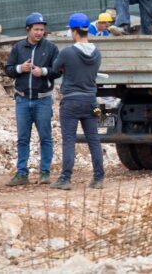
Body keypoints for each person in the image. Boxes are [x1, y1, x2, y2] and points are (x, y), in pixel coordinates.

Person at [4, 12, 61, 186]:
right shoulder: (18, 48)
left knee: (45, 137)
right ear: (28, 29)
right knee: (22, 138)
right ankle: (22, 173)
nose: (39, 33)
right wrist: (21, 68)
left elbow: (58, 70)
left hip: (42, 100)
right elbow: (8, 69)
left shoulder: (51, 48)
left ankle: (45, 173)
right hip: (22, 100)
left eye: (42, 30)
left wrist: (42, 71)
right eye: (36, 29)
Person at [51, 13, 104, 190]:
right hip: (90, 100)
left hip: (71, 101)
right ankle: (98, 178)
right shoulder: (97, 54)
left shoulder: (67, 52)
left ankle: (65, 179)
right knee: (94, 140)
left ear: (74, 31)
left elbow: (54, 69)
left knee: (69, 140)